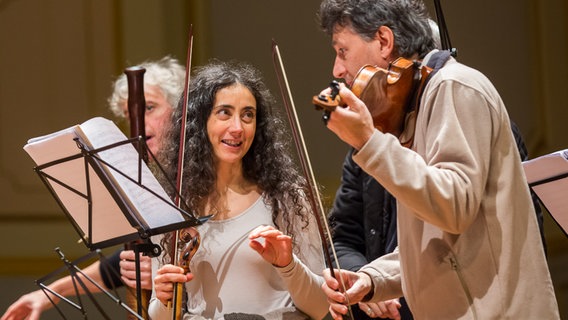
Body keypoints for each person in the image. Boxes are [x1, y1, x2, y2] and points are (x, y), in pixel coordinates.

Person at [317, 0, 560, 319]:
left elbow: (453, 207)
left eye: (343, 50)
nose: (337, 69)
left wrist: (370, 142)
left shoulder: (454, 86)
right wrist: (371, 278)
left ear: (384, 41)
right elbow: (434, 243)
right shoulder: (413, 111)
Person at [1, 56, 185, 320]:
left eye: (150, 107)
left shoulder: (200, 175)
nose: (138, 121)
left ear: (180, 108)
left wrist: (164, 272)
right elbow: (120, 264)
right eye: (129, 113)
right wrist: (48, 295)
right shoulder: (148, 176)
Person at [148, 60, 329, 319]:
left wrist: (288, 265)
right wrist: (164, 299)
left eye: (248, 115)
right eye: (224, 112)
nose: (237, 127)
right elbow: (160, 316)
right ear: (200, 122)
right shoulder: (173, 206)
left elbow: (321, 307)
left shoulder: (287, 197)